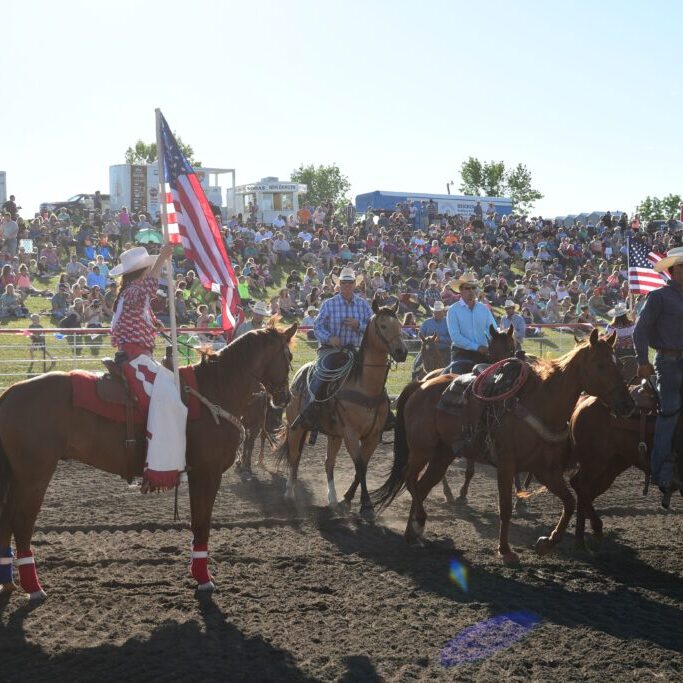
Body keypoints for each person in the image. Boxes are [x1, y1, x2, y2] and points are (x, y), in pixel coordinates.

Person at [109, 244, 187, 493]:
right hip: (135, 357)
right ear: (141, 272)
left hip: (140, 356)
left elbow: (147, 301)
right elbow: (147, 290)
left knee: (169, 387)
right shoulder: (133, 292)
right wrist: (162, 259)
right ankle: (158, 465)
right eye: (147, 270)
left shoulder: (129, 295)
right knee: (167, 395)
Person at [292, 267, 373, 431]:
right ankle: (310, 411)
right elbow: (317, 327)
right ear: (339, 285)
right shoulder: (329, 304)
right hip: (331, 350)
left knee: (373, 373)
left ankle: (381, 411)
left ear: (354, 284)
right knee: (323, 373)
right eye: (344, 283)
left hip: (355, 351)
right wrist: (330, 338)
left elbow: (373, 328)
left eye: (350, 282)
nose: (347, 285)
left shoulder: (363, 306)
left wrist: (359, 326)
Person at [633, 246, 683, 503]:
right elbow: (640, 331)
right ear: (674, 270)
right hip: (668, 361)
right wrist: (642, 361)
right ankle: (660, 469)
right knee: (671, 409)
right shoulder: (659, 297)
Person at [445, 272, 497, 374]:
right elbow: (455, 337)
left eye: (473, 288)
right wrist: (477, 347)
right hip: (462, 353)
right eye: (467, 288)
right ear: (460, 290)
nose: (471, 291)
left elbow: (493, 331)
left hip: (483, 353)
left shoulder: (484, 309)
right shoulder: (453, 310)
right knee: (457, 381)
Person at [412, 300, 451, 379]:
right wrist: (426, 340)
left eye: (439, 312)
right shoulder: (426, 323)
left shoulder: (448, 322)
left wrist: (440, 339)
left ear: (443, 312)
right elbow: (420, 334)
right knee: (416, 366)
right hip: (427, 350)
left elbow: (452, 338)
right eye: (436, 312)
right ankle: (414, 378)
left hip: (444, 349)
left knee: (452, 366)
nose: (438, 314)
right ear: (433, 312)